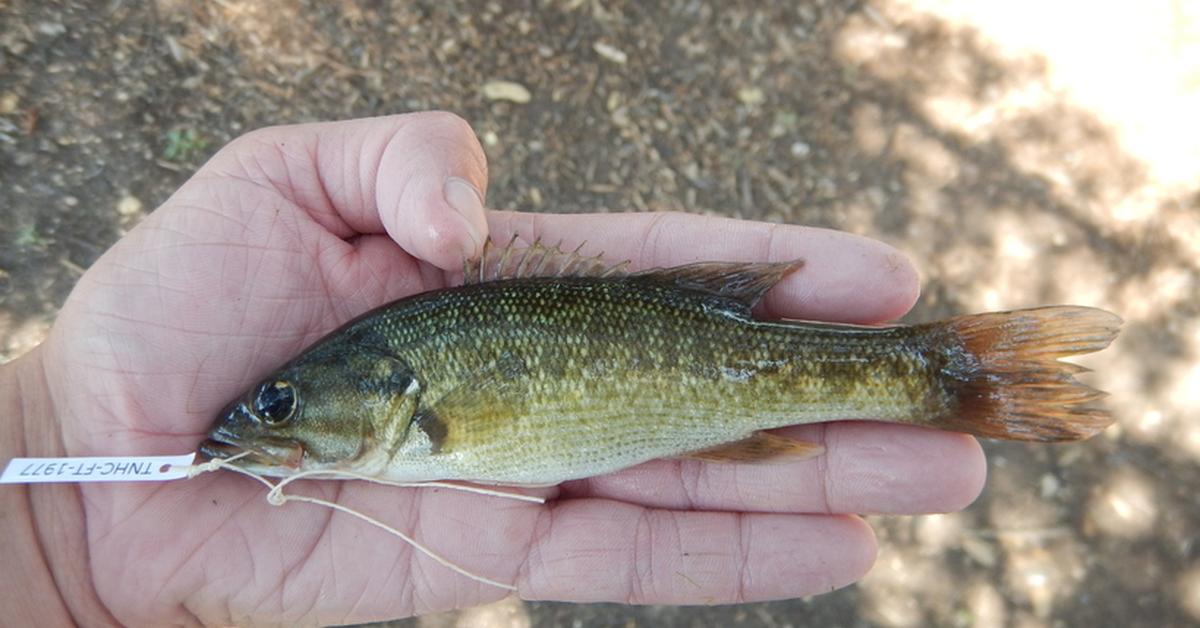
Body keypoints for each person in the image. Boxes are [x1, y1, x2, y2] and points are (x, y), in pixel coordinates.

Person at [0, 113, 986, 626]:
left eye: (282, 398)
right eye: (276, 397)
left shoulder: (413, 394)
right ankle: (932, 373)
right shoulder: (386, 403)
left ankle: (934, 371)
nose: (263, 416)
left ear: (387, 393)